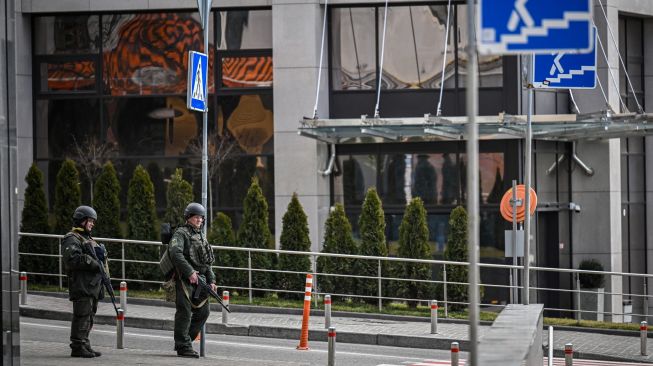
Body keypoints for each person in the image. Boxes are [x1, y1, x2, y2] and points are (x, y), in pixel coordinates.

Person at [168, 202, 217, 358]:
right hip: (184, 279)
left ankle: (184, 341)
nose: (199, 220)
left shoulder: (201, 236)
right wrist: (189, 272)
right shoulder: (180, 233)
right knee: (184, 312)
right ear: (188, 217)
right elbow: (175, 253)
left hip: (200, 281)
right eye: (196, 217)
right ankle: (183, 346)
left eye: (201, 218)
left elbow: (206, 262)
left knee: (204, 311)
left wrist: (212, 280)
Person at [61, 205, 109, 358]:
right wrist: (93, 262)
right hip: (81, 284)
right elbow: (72, 259)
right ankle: (77, 346)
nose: (92, 224)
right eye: (90, 221)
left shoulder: (88, 238)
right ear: (81, 220)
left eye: (93, 221)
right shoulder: (72, 237)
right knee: (82, 315)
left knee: (89, 316)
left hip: (91, 285)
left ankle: (84, 344)